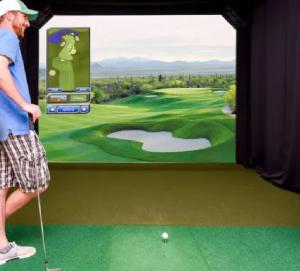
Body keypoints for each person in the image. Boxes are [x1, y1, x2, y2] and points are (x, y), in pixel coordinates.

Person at [0, 0, 50, 265]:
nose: (28, 23)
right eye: (24, 17)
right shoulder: (6, 36)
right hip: (15, 124)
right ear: (8, 15)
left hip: (2, 127)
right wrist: (24, 105)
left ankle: (2, 248)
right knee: (38, 182)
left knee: (2, 184)